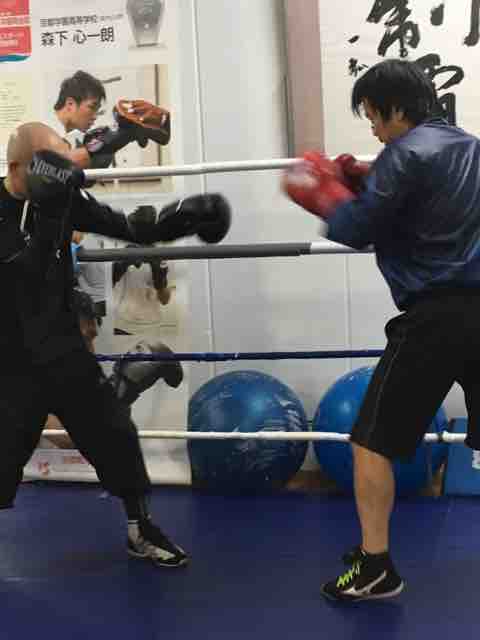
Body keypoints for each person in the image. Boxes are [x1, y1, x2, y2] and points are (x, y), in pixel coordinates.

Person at [283, 59, 480, 602]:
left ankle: (375, 567)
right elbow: (433, 208)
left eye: (372, 116)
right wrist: (363, 183)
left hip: (435, 316)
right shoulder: (471, 148)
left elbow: (357, 228)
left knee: (370, 442)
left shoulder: (405, 153)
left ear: (394, 108)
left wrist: (326, 193)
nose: (373, 129)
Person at [1, 120, 231, 568]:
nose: (58, 172)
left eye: (61, 161)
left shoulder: (62, 198)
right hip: (10, 361)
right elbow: (23, 272)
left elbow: (129, 228)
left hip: (64, 350)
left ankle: (139, 527)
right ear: (15, 167)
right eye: (47, 164)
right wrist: (50, 210)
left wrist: (182, 218)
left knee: (115, 434)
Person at [53, 69, 171, 169]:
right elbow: (61, 169)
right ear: (70, 104)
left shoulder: (73, 136)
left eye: (97, 110)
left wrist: (108, 148)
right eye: (91, 107)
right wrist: (109, 140)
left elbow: (80, 178)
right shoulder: (45, 131)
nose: (95, 116)